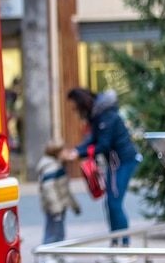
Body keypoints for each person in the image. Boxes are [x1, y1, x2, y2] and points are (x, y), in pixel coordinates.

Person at [60, 87, 140, 249]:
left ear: (81, 101)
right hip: (114, 163)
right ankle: (115, 243)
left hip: (123, 162)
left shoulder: (106, 116)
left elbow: (103, 144)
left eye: (74, 105)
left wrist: (79, 153)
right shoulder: (98, 115)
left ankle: (125, 245)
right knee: (110, 204)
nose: (74, 109)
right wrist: (77, 150)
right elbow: (93, 140)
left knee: (114, 203)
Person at [36, 139, 81, 248]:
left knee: (59, 231)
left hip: (60, 206)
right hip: (54, 208)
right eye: (65, 150)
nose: (68, 152)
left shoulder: (59, 165)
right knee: (52, 231)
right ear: (57, 153)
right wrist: (56, 208)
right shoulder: (51, 168)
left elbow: (65, 190)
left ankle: (58, 253)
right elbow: (49, 190)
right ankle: (47, 254)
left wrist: (74, 205)